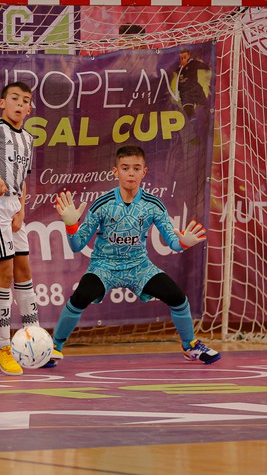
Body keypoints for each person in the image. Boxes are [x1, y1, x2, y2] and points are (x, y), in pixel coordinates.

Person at [51, 145, 221, 366]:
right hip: (104, 267)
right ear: (115, 172)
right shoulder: (102, 204)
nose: (130, 173)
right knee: (81, 296)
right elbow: (77, 245)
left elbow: (172, 241)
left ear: (144, 172)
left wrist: (183, 243)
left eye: (136, 168)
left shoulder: (153, 205)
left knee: (177, 297)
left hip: (139, 267)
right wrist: (71, 225)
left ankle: (190, 346)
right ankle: (54, 348)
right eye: (125, 168)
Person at [0, 82, 61, 376]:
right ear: (2, 103)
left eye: (25, 100)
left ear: (29, 109)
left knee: (24, 271)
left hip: (14, 208)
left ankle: (34, 342)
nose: (20, 104)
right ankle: (3, 345)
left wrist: (22, 209)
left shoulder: (28, 139)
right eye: (14, 98)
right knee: (4, 274)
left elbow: (24, 179)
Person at [175, 48, 211, 119]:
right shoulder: (177, 68)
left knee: (206, 108)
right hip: (185, 94)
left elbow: (206, 67)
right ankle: (193, 121)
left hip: (196, 90)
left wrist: (207, 66)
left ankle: (207, 119)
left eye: (184, 57)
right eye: (181, 58)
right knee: (190, 114)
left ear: (188, 56)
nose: (183, 60)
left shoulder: (193, 63)